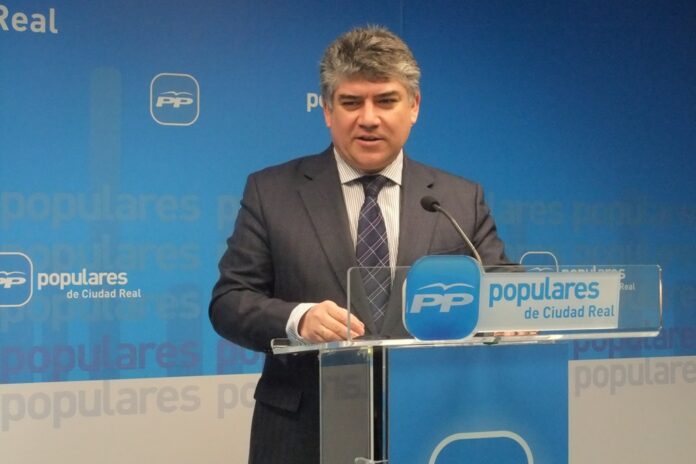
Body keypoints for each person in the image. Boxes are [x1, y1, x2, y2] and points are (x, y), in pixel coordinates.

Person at [209, 25, 508, 464]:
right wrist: (298, 318)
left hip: (431, 430)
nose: (368, 118)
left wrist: (513, 316)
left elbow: (502, 287)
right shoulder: (271, 192)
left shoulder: (459, 199)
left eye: (386, 100)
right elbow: (229, 301)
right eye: (351, 102)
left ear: (414, 106)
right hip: (304, 433)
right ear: (327, 110)